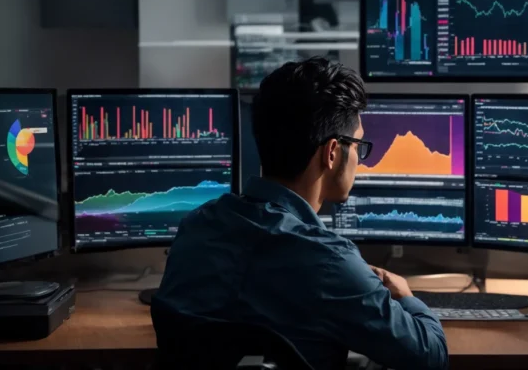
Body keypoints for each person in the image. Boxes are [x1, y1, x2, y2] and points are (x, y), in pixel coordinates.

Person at [153, 57, 448, 370]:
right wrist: (405, 297)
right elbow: (431, 357)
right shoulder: (329, 262)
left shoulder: (196, 227)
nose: (359, 159)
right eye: (359, 146)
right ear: (332, 152)